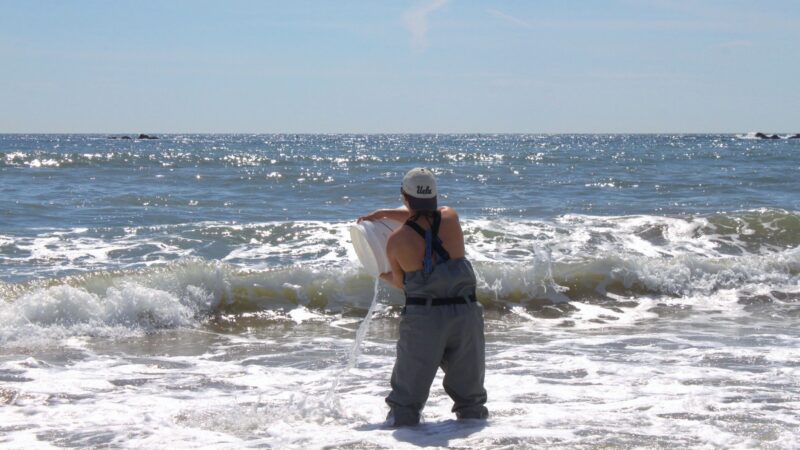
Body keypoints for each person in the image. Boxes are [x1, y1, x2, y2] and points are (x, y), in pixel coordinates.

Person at [358, 168, 489, 427]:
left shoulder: (396, 241)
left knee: (407, 399)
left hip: (426, 320)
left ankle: (406, 440)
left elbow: (401, 284)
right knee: (471, 397)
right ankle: (478, 439)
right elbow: (427, 217)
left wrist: (378, 272)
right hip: (466, 314)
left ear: (404, 196)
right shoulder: (451, 217)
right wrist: (386, 213)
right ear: (434, 195)